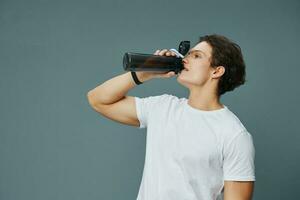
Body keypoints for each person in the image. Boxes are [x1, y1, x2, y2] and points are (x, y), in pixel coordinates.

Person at [87, 34, 255, 200]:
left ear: (217, 71)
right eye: (188, 54)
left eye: (197, 56)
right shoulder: (163, 107)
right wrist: (144, 73)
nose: (185, 60)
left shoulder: (234, 135)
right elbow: (98, 99)